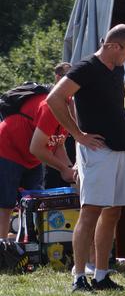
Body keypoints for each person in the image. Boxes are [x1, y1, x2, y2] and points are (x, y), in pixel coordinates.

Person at [47, 24, 125, 292]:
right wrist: (78, 134)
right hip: (96, 150)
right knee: (91, 211)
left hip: (119, 148)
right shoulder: (86, 67)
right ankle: (78, 277)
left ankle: (101, 275)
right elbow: (56, 98)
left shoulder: (117, 68)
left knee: (113, 212)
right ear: (112, 46)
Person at [0, 89, 75, 239]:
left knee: (35, 203)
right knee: (5, 204)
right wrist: (62, 168)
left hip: (32, 158)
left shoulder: (69, 114)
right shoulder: (51, 107)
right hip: (7, 149)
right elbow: (37, 148)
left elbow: (57, 144)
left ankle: (34, 245)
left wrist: (70, 170)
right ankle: (3, 250)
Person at [44, 62, 77, 189]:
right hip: (51, 146)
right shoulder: (51, 97)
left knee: (70, 180)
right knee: (53, 183)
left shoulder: (72, 95)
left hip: (69, 141)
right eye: (67, 76)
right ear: (58, 77)